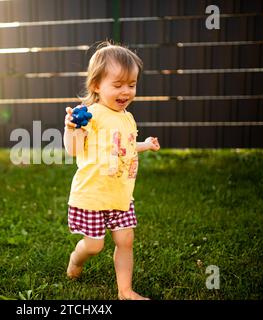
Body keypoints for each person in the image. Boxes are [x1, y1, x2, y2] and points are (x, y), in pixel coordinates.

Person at [63, 41, 160, 300]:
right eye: (117, 85)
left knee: (125, 241)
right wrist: (71, 129)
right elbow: (73, 150)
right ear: (96, 85)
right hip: (92, 197)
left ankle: (125, 291)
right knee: (94, 246)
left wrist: (145, 145)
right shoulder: (90, 115)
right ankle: (76, 258)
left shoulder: (127, 117)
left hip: (120, 196)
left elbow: (123, 146)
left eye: (131, 85)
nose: (126, 91)